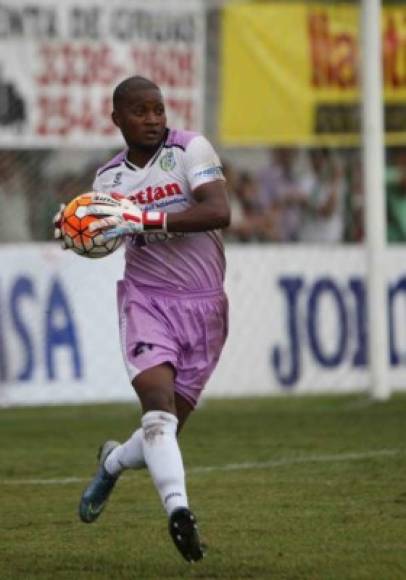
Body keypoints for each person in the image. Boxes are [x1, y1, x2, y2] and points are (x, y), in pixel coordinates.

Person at [54, 76, 230, 562]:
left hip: (206, 306)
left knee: (164, 429)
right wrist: (78, 231)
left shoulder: (190, 149)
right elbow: (101, 236)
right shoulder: (107, 182)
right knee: (156, 405)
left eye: (158, 109)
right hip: (146, 301)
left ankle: (111, 462)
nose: (153, 119)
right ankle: (179, 512)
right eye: (140, 111)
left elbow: (219, 211)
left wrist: (146, 219)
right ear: (117, 119)